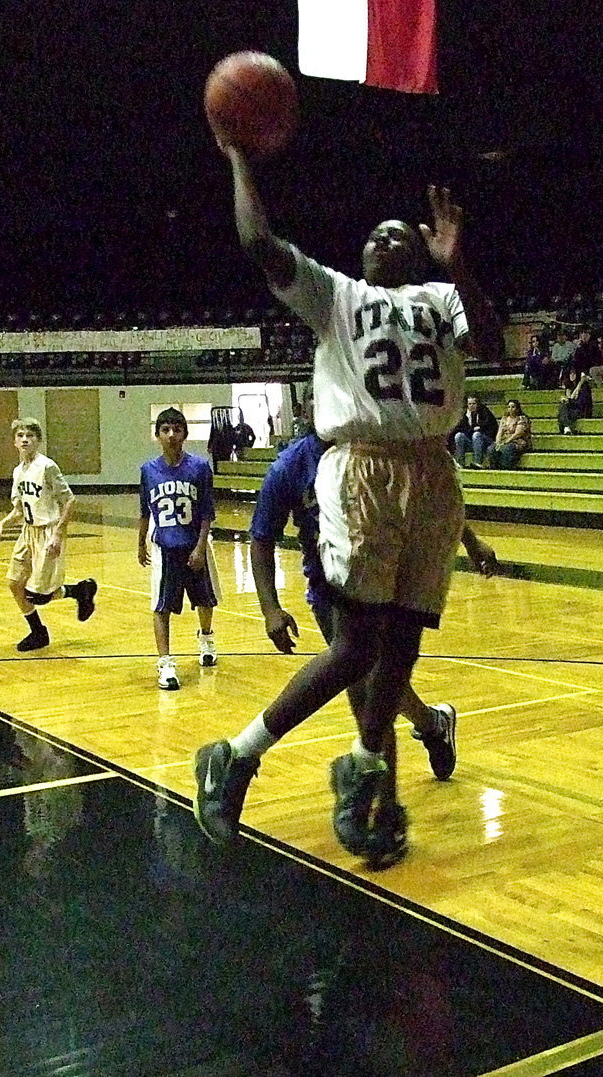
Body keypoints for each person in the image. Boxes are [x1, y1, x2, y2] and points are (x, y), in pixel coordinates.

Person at [194, 140, 502, 863]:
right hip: (362, 468)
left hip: (433, 470)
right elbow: (258, 242)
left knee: (402, 646)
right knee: (358, 643)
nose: (380, 240)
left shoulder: (443, 297)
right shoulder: (336, 293)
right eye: (372, 236)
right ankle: (235, 754)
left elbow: (490, 340)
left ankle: (366, 775)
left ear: (421, 254)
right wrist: (240, 155)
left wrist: (459, 263)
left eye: (397, 234)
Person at [237, 426, 499, 865]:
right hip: (332, 594)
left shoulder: (378, 451)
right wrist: (270, 608)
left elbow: (421, 498)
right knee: (374, 691)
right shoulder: (289, 467)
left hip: (388, 581)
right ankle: (431, 728)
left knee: (375, 692)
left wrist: (470, 542)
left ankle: (385, 809)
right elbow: (261, 539)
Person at [0, 418, 97, 653]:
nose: (25, 439)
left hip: (48, 532)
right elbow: (19, 509)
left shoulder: (47, 467)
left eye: (30, 436)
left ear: (38, 440)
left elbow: (70, 500)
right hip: (28, 533)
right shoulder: (18, 471)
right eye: (20, 435)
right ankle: (38, 632)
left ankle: (79, 591)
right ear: (14, 441)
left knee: (39, 596)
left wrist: (58, 534)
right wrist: (0, 524)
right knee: (15, 584)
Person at [138, 407, 220, 690]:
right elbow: (145, 510)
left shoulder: (199, 468)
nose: (171, 435)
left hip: (194, 545)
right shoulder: (148, 471)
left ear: (185, 433)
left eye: (177, 429)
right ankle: (165, 663)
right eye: (165, 430)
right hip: (165, 548)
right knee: (161, 606)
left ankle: (206, 639)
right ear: (157, 435)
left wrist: (200, 547)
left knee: (205, 600)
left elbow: (207, 512)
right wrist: (140, 543)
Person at [450, 393, 498, 467]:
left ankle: (478, 462)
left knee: (476, 435)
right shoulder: (464, 415)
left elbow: (491, 427)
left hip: (485, 440)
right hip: (471, 441)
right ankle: (460, 463)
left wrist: (480, 428)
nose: (471, 406)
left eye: (474, 403)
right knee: (459, 436)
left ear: (477, 404)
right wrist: (471, 429)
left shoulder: (485, 412)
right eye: (469, 404)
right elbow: (459, 428)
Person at [487, 398, 531, 468]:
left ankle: (505, 467)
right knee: (491, 448)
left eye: (513, 407)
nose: (510, 409)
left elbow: (518, 433)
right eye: (509, 407)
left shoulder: (522, 418)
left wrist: (507, 441)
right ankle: (494, 468)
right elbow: (500, 431)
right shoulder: (504, 418)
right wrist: (498, 441)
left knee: (508, 448)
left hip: (517, 441)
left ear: (517, 408)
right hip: (504, 439)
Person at [557, 366, 593, 433]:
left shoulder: (584, 387)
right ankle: (566, 427)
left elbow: (582, 403)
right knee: (563, 406)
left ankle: (566, 427)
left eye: (574, 373)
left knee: (563, 409)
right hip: (574, 409)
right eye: (570, 373)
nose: (572, 375)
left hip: (582, 410)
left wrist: (569, 400)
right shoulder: (569, 388)